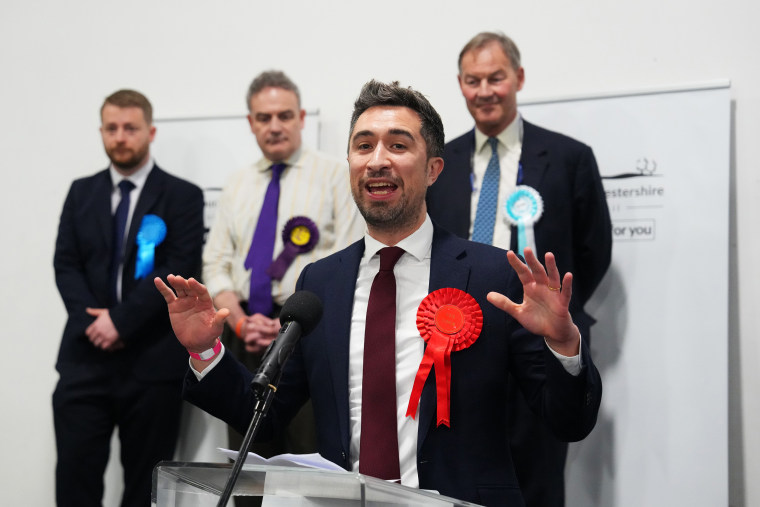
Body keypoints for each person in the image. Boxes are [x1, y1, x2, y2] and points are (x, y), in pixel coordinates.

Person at [155, 80, 602, 507]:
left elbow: (567, 420)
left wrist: (563, 346)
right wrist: (204, 351)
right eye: (363, 145)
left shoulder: (491, 277)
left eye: (398, 145)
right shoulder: (319, 284)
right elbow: (264, 415)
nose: (377, 160)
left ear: (433, 169)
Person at [426, 32, 612, 506]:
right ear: (461, 85)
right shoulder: (438, 164)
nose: (484, 90)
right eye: (473, 80)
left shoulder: (570, 158)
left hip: (539, 343)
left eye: (496, 77)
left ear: (519, 78)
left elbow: (594, 251)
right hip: (454, 342)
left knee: (539, 479)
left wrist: (551, 313)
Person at [201, 71, 364, 461]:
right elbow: (216, 263)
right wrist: (240, 322)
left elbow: (348, 258)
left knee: (311, 459)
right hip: (244, 333)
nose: (275, 126)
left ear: (302, 117)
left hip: (309, 335)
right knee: (246, 460)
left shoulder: (336, 176)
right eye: (264, 117)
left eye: (285, 116)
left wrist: (286, 326)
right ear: (251, 123)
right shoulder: (237, 183)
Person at [53, 89, 205, 506]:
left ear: (150, 131)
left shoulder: (183, 196)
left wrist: (121, 321)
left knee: (146, 489)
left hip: (151, 363)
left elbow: (177, 268)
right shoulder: (80, 192)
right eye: (112, 128)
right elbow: (65, 264)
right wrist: (94, 324)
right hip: (85, 359)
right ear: (102, 131)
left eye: (130, 128)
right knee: (74, 482)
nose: (121, 137)